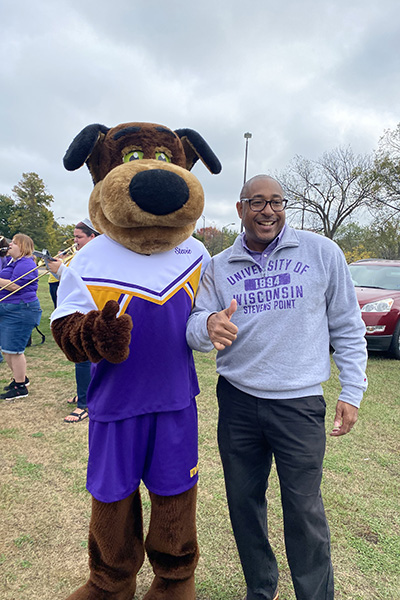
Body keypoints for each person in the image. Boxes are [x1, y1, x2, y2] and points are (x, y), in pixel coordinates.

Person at [186, 174, 368, 600]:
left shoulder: (322, 252)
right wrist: (208, 325)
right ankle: (261, 587)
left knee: (304, 511)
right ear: (240, 209)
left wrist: (351, 391)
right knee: (243, 505)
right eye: (256, 202)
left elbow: (347, 325)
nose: (268, 210)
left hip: (299, 404)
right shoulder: (218, 266)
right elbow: (194, 326)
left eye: (276, 202)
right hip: (238, 402)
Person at [48, 218, 99, 422]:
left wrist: (61, 270)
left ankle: (85, 404)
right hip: (80, 311)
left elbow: (83, 282)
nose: (75, 241)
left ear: (92, 237)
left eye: (79, 237)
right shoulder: (82, 255)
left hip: (89, 312)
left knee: (83, 356)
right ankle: (84, 393)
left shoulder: (95, 256)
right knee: (83, 356)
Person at [0, 234, 42, 399]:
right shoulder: (13, 261)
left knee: (14, 350)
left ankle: (20, 387)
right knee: (6, 349)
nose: (10, 245)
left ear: (23, 247)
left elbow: (15, 286)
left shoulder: (26, 263)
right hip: (10, 309)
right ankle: (20, 379)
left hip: (20, 310)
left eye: (14, 243)